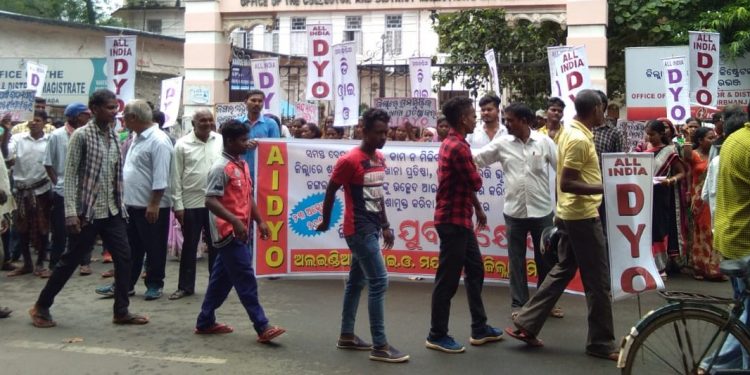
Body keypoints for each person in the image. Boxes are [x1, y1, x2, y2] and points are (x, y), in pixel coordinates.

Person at [506, 89, 617, 361]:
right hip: (581, 216)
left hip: (570, 213)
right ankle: (601, 343)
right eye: (603, 109)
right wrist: (606, 186)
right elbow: (567, 182)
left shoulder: (570, 132)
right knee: (598, 282)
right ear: (596, 110)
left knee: (563, 269)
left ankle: (526, 322)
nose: (604, 113)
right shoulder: (578, 138)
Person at [30, 89, 149, 328]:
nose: (115, 112)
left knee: (125, 258)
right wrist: (71, 213)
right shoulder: (82, 136)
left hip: (112, 210)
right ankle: (41, 307)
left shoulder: (115, 136)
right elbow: (71, 175)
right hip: (87, 212)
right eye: (109, 108)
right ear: (94, 110)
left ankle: (121, 311)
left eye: (116, 108)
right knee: (70, 260)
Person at [315, 108, 409, 363]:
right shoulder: (349, 160)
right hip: (358, 230)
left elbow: (377, 194)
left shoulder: (379, 158)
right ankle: (380, 346)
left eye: (385, 132)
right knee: (379, 281)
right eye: (378, 132)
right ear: (363, 131)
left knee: (357, 282)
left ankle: (346, 335)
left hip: (373, 227)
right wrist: (325, 220)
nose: (383, 137)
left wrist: (386, 224)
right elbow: (330, 191)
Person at [195, 119, 285, 344]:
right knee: (246, 278)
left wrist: (260, 221)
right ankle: (262, 326)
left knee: (221, 281)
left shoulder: (242, 165)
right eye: (243, 140)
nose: (247, 144)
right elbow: (210, 200)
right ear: (230, 141)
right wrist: (234, 221)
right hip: (228, 233)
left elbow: (248, 197)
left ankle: (205, 321)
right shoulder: (220, 168)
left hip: (241, 232)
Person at [426, 96, 502, 354]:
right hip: (453, 221)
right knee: (447, 280)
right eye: (472, 115)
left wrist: (478, 208)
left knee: (475, 269)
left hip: (459, 218)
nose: (475, 118)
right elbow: (475, 181)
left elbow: (466, 183)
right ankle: (437, 334)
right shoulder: (458, 147)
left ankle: (479, 327)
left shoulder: (454, 144)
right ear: (462, 119)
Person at [473, 102, 560, 318]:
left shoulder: (545, 142)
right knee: (516, 260)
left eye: (510, 120)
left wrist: (561, 206)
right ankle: (519, 305)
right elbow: (476, 160)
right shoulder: (502, 143)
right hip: (514, 212)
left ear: (524, 121)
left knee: (546, 261)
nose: (506, 124)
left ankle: (544, 304)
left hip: (542, 211)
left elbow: (562, 169)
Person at [101, 100, 173, 300]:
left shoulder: (158, 140)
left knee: (154, 247)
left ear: (134, 118)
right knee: (130, 248)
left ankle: (154, 284)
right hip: (131, 204)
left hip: (151, 205)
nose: (122, 121)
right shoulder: (135, 137)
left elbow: (161, 175)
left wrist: (154, 203)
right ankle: (126, 284)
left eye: (124, 117)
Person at [706, 114, 750, 371]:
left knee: (743, 314)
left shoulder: (735, 139)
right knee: (746, 321)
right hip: (744, 240)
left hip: (731, 235)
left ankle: (714, 366)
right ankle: (715, 367)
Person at [169, 109, 223, 300]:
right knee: (189, 247)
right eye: (202, 121)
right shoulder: (182, 144)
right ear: (193, 124)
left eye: (210, 120)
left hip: (216, 203)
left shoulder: (219, 140)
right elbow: (175, 176)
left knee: (216, 246)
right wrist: (178, 205)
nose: (207, 123)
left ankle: (216, 286)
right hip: (191, 203)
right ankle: (185, 287)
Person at [44, 102, 94, 276]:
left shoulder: (89, 135)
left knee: (84, 228)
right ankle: (54, 265)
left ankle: (84, 262)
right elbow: (48, 163)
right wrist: (58, 182)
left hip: (85, 190)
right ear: (74, 116)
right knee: (60, 230)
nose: (88, 117)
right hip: (62, 190)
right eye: (84, 115)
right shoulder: (57, 136)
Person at [7, 110, 53, 278]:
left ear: (44, 123)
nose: (33, 122)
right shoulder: (18, 138)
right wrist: (4, 131)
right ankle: (27, 263)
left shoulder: (50, 140)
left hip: (41, 190)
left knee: (42, 227)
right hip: (21, 190)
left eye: (38, 120)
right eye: (31, 120)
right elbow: (6, 154)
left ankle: (40, 262)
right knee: (22, 228)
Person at [643, 120, 687, 278]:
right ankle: (649, 263)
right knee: (647, 228)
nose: (649, 138)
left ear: (661, 134)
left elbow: (682, 172)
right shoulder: (644, 151)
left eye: (652, 134)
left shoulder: (670, 151)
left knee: (659, 229)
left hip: (662, 194)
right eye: (647, 134)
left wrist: (671, 180)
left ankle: (661, 266)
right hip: (645, 194)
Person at [686, 127, 722, 281]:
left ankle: (714, 267)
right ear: (700, 141)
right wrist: (687, 137)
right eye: (709, 138)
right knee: (702, 232)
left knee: (714, 231)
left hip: (714, 196)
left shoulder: (717, 155)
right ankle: (701, 267)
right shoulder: (694, 155)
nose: (713, 140)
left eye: (714, 137)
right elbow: (686, 158)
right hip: (699, 198)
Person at [236, 89, 280, 177]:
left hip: (262, 173)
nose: (257, 103)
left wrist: (261, 145)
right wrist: (244, 144)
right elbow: (230, 146)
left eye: (260, 101)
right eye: (253, 100)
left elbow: (276, 149)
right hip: (239, 171)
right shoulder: (237, 123)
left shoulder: (271, 124)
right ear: (245, 102)